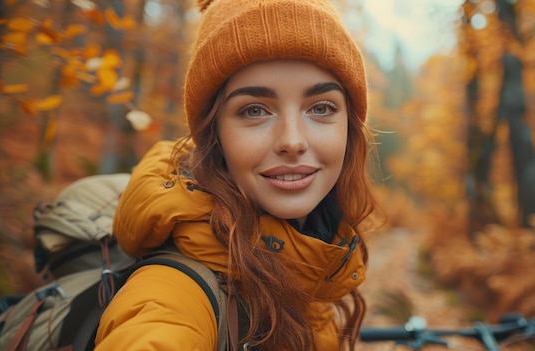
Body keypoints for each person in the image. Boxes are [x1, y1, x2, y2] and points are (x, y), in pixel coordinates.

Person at [94, 0, 385, 350]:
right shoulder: (171, 299)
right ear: (214, 135)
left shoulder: (311, 255)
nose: (292, 141)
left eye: (321, 108)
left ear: (349, 128)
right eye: (254, 110)